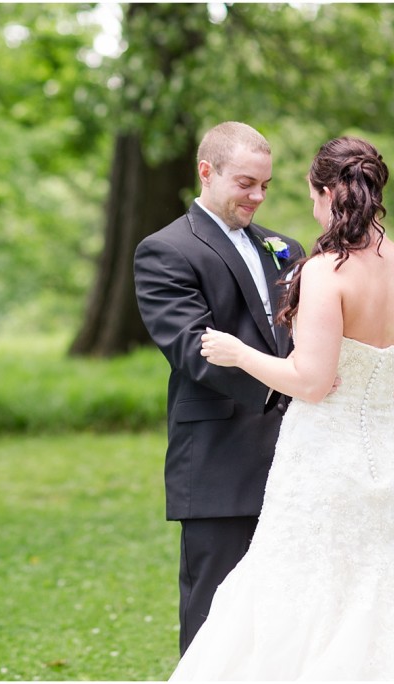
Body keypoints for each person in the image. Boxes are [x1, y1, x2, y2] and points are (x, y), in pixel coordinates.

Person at [169, 136, 394, 680]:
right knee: (388, 588)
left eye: (309, 194)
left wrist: (239, 353)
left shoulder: (325, 271)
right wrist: (387, 369)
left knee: (305, 592)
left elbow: (311, 381)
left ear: (327, 192)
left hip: (322, 461)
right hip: (389, 464)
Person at [133, 121, 307, 655]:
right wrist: (288, 389)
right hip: (218, 462)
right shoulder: (165, 250)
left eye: (265, 186)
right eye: (246, 183)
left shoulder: (285, 247)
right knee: (215, 619)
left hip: (301, 455)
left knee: (293, 612)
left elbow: (314, 333)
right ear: (206, 172)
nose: (257, 196)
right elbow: (193, 348)